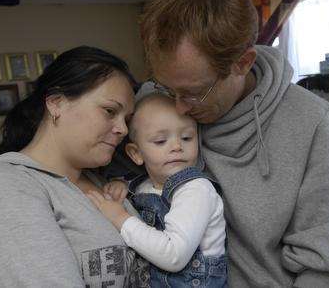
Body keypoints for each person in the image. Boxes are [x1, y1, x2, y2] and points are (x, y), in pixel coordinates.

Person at [0, 0, 329, 287]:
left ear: (242, 63)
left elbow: (321, 262)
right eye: (166, 87)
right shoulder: (150, 104)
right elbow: (29, 178)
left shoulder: (312, 122)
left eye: (193, 94)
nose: (177, 108)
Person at [0, 46, 147, 287]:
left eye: (126, 119)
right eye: (110, 111)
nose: (123, 129)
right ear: (56, 103)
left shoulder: (104, 181)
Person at [87, 93, 227, 287]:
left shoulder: (196, 190)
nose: (177, 146)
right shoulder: (143, 186)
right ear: (136, 154)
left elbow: (174, 256)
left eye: (187, 138)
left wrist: (121, 219)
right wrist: (123, 186)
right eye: (161, 141)